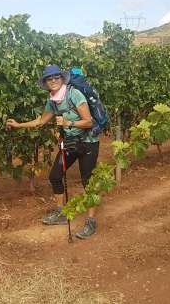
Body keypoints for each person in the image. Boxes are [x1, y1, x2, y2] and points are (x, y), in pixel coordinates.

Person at [6, 64, 100, 239]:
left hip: (88, 143)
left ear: (62, 78)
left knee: (88, 182)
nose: (54, 80)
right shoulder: (52, 100)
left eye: (56, 77)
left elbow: (89, 122)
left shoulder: (74, 94)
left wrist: (68, 123)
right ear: (46, 83)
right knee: (55, 176)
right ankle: (62, 213)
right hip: (70, 143)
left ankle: (91, 222)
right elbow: (41, 121)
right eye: (50, 79)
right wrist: (18, 125)